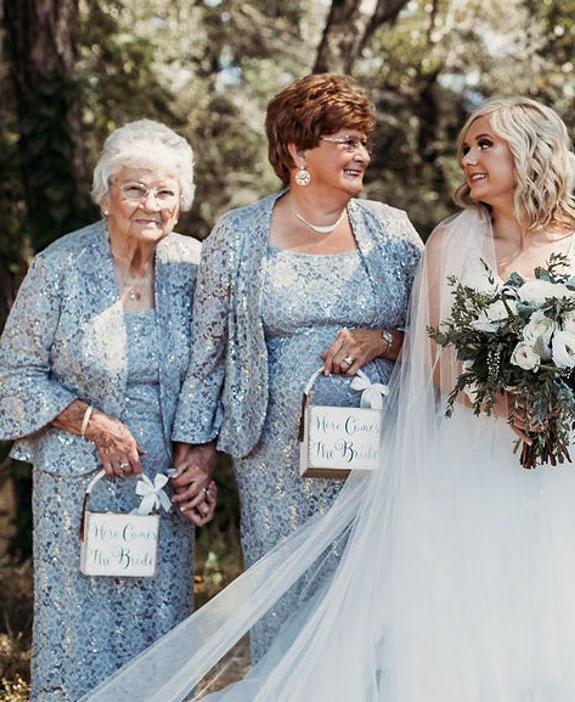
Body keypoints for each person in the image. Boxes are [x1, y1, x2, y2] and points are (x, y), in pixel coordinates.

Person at [84, 97, 575, 701]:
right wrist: (504, 403)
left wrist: (559, 401)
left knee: (569, 601)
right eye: (465, 148)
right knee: (471, 607)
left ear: (530, 153)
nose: (468, 160)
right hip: (469, 452)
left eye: (484, 146)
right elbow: (437, 359)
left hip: (568, 462)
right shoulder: (449, 240)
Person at [166, 73, 423, 658]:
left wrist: (380, 339)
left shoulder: (392, 230)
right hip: (274, 463)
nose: (362, 154)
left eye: (364, 141)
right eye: (346, 141)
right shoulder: (236, 234)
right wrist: (198, 454)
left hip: (379, 456)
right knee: (286, 603)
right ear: (296, 151)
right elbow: (210, 356)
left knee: (375, 601)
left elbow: (436, 339)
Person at [0, 119, 212, 700]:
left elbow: (211, 370)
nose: (151, 204)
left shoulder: (195, 265)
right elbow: (14, 373)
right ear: (105, 194)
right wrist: (93, 423)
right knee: (80, 631)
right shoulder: (59, 267)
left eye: (166, 192)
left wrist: (201, 460)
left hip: (159, 480)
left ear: (181, 203)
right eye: (135, 188)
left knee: (160, 624)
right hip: (78, 483)